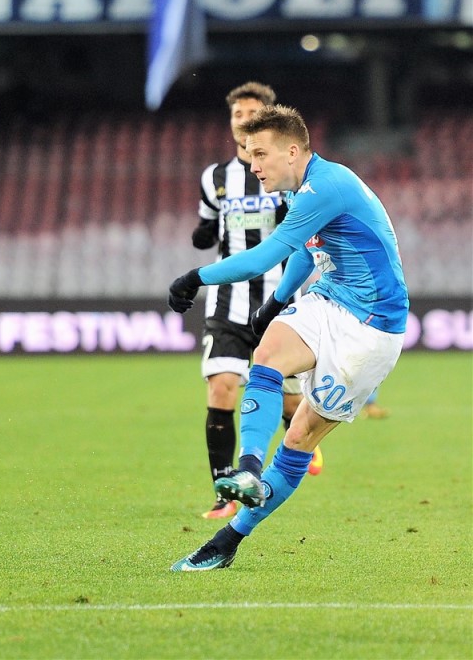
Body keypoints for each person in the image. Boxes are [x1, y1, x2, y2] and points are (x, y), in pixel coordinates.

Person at [167, 104, 408, 571]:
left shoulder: (325, 187)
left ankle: (228, 539)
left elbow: (265, 257)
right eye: (248, 153)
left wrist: (194, 277)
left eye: (261, 153)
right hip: (332, 296)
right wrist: (276, 303)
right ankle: (248, 469)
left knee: (299, 438)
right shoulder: (305, 189)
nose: (252, 164)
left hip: (374, 327)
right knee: (268, 353)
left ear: (293, 151)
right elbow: (305, 250)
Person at [191, 82, 318, 521]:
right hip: (229, 300)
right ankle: (224, 490)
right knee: (222, 385)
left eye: (252, 113)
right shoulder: (214, 178)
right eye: (237, 114)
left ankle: (304, 438)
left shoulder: (288, 174)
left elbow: (302, 230)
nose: (244, 121)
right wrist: (203, 232)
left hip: (280, 297)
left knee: (290, 401)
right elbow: (207, 224)